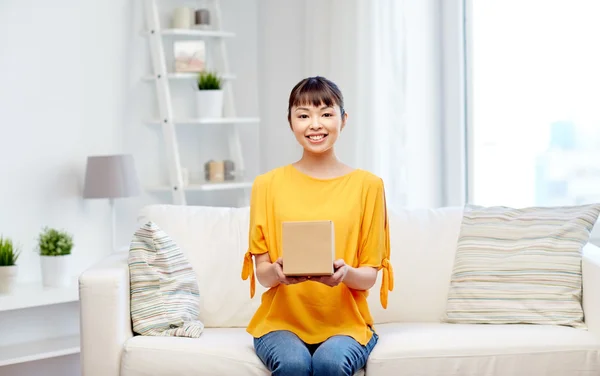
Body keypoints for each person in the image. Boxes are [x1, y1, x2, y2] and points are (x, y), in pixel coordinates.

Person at [241, 76, 394, 376]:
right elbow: (262, 274)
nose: (315, 124)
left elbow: (369, 277)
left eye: (326, 113)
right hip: (279, 324)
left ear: (343, 119)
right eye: (303, 115)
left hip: (346, 324)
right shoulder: (266, 186)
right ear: (290, 122)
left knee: (330, 363)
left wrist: (345, 274)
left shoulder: (369, 186)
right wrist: (278, 272)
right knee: (294, 364)